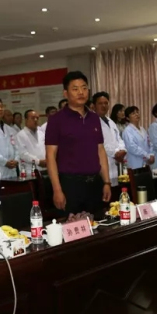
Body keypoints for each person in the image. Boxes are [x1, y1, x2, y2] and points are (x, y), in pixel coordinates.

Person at [45, 71, 111, 214]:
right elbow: (50, 156)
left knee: (99, 224)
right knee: (73, 226)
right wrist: (57, 190)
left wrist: (106, 182)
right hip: (70, 185)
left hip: (95, 183)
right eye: (75, 89)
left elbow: (100, 150)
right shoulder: (56, 120)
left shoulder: (94, 118)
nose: (81, 92)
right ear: (65, 93)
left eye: (84, 88)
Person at [93, 92, 126, 187]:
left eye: (106, 103)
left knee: (116, 190)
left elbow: (119, 138)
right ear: (94, 106)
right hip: (102, 164)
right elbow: (100, 143)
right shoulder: (92, 122)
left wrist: (123, 150)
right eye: (100, 103)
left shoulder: (111, 122)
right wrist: (115, 153)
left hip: (116, 164)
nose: (104, 106)